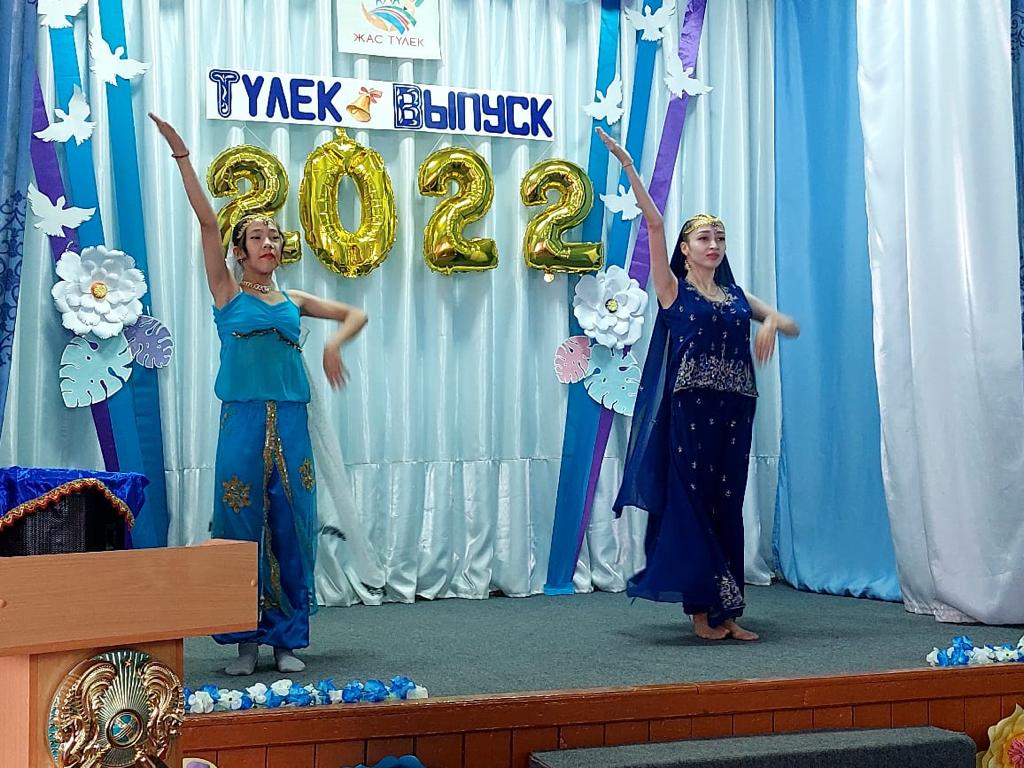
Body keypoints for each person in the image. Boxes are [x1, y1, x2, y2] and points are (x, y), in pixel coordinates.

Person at [149, 113, 368, 674]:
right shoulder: (227, 292)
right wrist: (182, 157)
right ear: (240, 251)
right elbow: (206, 223)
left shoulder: (294, 301)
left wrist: (333, 344)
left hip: (292, 421)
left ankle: (287, 641)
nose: (268, 242)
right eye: (257, 237)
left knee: (294, 523)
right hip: (242, 421)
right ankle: (244, 642)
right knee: (239, 525)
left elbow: (355, 314)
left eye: (274, 236)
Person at [598, 127, 799, 641]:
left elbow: (788, 323)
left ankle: (727, 611)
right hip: (690, 415)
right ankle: (699, 610)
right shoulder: (672, 291)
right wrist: (628, 167)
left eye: (720, 238)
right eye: (704, 238)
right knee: (694, 504)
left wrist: (771, 324)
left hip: (736, 413)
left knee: (727, 505)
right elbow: (654, 221)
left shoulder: (735, 296)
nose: (714, 245)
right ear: (685, 249)